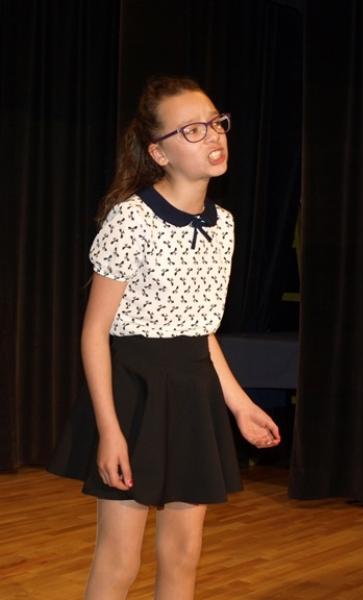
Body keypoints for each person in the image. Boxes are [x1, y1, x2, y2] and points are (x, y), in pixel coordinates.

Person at [48, 74, 281, 600]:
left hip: (194, 392)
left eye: (215, 123)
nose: (213, 136)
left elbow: (200, 329)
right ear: (159, 152)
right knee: (119, 560)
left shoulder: (224, 224)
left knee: (183, 555)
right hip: (134, 391)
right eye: (192, 130)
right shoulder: (131, 219)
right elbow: (94, 333)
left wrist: (240, 404)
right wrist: (109, 430)